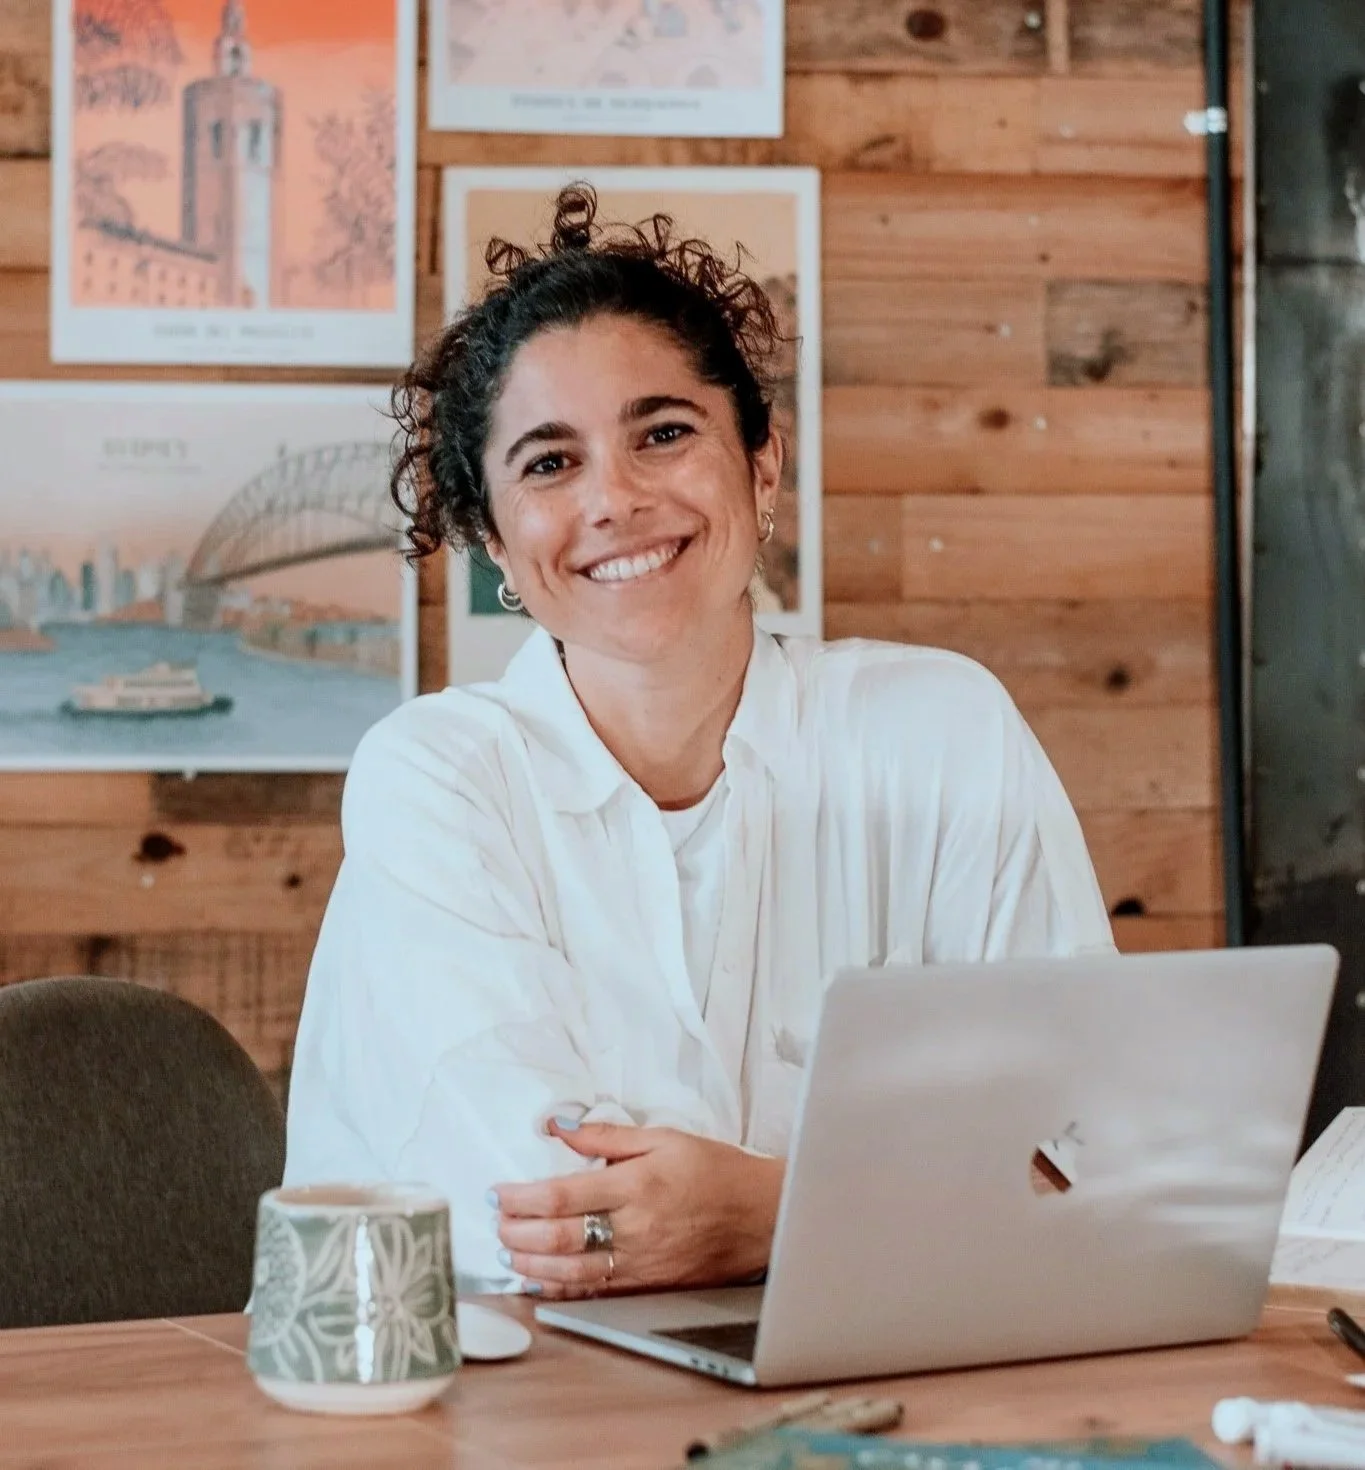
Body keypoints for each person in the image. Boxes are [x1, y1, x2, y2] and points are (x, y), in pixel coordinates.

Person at [283, 185, 1114, 1301]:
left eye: (664, 434)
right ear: (489, 536)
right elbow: (559, 1221)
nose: (615, 499)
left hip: (876, 1364)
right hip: (488, 1404)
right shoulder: (437, 778)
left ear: (761, 468)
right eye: (548, 463)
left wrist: (756, 1212)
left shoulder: (941, 730)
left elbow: (1086, 1153)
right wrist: (910, 1193)